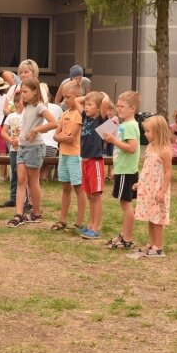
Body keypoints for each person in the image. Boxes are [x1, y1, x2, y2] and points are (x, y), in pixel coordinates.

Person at [6, 78, 57, 227]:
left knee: (33, 181)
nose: (22, 95)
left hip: (35, 148)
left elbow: (54, 123)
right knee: (21, 180)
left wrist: (36, 130)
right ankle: (19, 214)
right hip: (22, 147)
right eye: (21, 92)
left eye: (25, 92)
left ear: (35, 92)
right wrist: (20, 137)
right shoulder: (26, 107)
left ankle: (36, 213)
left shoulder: (39, 107)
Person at [128, 115, 172, 259]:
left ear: (158, 132)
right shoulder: (150, 147)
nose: (145, 134)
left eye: (148, 131)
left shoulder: (165, 150)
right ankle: (152, 244)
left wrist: (162, 191)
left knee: (157, 218)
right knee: (150, 216)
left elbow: (167, 172)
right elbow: (147, 168)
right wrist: (140, 183)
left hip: (158, 190)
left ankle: (158, 247)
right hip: (148, 189)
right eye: (145, 131)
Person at [102, 91, 140, 250]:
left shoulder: (131, 125)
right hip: (122, 169)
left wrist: (114, 140)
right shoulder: (124, 124)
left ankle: (127, 238)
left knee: (126, 204)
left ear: (133, 108)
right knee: (124, 203)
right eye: (117, 106)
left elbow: (131, 148)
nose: (119, 109)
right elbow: (104, 135)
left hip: (127, 170)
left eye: (122, 106)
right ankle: (124, 234)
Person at [75, 90, 111, 240]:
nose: (86, 107)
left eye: (90, 105)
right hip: (84, 160)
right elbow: (77, 100)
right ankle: (90, 225)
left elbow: (105, 102)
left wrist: (103, 95)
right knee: (89, 195)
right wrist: (89, 96)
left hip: (95, 161)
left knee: (96, 196)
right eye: (86, 105)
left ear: (98, 109)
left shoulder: (101, 120)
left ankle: (96, 228)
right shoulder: (84, 116)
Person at [51, 81, 86, 232]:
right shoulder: (64, 113)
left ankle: (79, 222)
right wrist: (61, 137)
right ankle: (63, 219)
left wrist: (62, 137)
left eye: (68, 97)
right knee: (65, 188)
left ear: (78, 97)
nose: (65, 100)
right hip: (63, 155)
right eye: (64, 97)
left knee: (78, 188)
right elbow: (56, 136)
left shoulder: (80, 114)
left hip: (75, 155)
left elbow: (71, 136)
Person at [0, 89, 28, 210]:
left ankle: (26, 199)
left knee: (24, 175)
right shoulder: (11, 116)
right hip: (14, 149)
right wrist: (11, 140)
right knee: (14, 173)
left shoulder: (28, 115)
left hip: (25, 148)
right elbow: (3, 132)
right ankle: (13, 197)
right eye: (23, 100)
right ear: (16, 103)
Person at [39, 82, 63, 181]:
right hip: (52, 147)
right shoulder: (57, 108)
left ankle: (38, 180)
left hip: (37, 145)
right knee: (45, 167)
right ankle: (43, 178)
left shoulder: (34, 107)